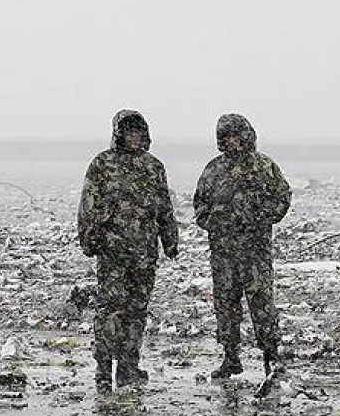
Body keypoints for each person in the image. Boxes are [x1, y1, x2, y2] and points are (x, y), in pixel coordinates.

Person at [78, 110, 179, 390]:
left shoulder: (153, 167)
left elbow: (164, 206)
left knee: (136, 311)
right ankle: (103, 367)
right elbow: (88, 204)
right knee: (110, 310)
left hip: (145, 253)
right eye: (129, 132)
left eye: (138, 132)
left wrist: (170, 239)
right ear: (119, 134)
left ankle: (128, 366)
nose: (133, 137)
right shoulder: (102, 164)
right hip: (112, 253)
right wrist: (88, 239)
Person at [194, 114, 291, 379]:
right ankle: (230, 357)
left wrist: (259, 218)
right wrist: (216, 221)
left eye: (236, 135)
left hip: (255, 251)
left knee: (261, 303)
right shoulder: (213, 170)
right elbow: (200, 205)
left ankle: (271, 356)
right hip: (223, 253)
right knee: (226, 304)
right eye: (227, 137)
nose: (232, 141)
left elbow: (282, 197)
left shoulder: (263, 166)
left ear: (246, 136)